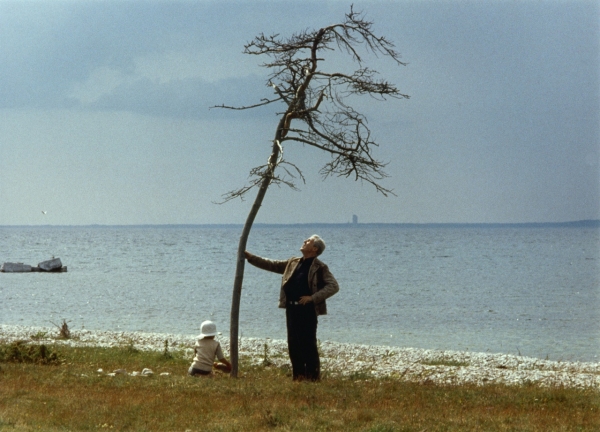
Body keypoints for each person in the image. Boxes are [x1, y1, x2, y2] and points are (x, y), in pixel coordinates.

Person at [245, 234, 339, 381]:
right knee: (294, 344)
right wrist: (250, 257)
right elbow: (272, 264)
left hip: (307, 310)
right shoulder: (293, 262)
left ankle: (313, 379)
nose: (304, 241)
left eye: (308, 241)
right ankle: (299, 377)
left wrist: (312, 298)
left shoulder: (319, 267)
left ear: (314, 249)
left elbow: (333, 286)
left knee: (308, 344)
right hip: (291, 309)